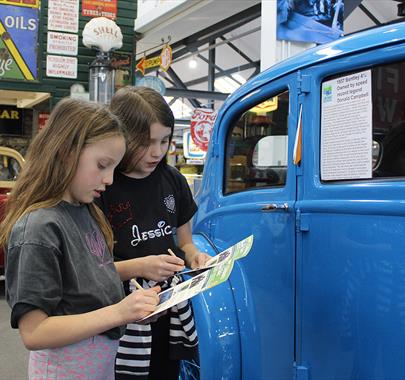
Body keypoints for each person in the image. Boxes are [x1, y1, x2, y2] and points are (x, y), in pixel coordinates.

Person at [0, 98, 161, 380]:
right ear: (66, 153)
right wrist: (119, 313)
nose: (110, 179)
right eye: (102, 165)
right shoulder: (38, 228)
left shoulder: (84, 210)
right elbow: (34, 331)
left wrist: (136, 303)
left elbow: (88, 275)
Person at [97, 86, 210, 379]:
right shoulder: (101, 185)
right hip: (118, 319)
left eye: (165, 141)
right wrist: (140, 266)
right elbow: (88, 270)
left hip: (169, 314)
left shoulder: (172, 179)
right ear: (123, 138)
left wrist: (196, 257)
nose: (157, 152)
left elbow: (185, 241)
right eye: (147, 143)